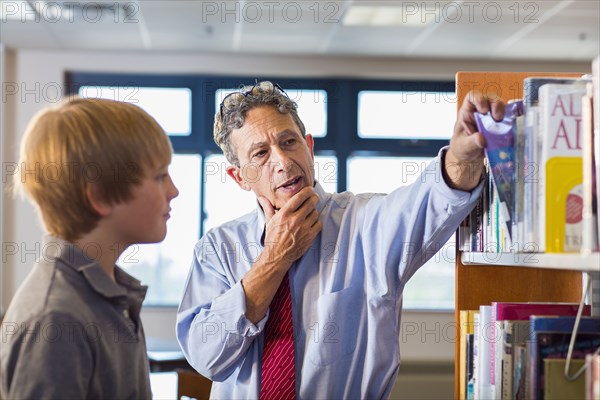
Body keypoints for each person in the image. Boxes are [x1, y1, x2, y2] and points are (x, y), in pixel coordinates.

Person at [177, 81, 504, 398]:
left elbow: (430, 202)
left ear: (309, 146)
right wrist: (275, 258)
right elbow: (207, 358)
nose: (283, 162)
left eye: (289, 142)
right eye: (261, 153)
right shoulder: (217, 249)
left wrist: (462, 155)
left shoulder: (364, 224)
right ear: (240, 177)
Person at [0, 97, 179, 398]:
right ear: (100, 196)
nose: (174, 190)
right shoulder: (56, 320)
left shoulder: (110, 294)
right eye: (160, 176)